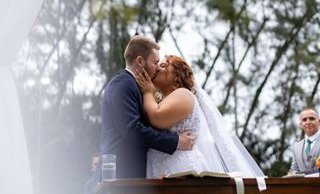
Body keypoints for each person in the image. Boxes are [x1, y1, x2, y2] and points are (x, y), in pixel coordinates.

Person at [87, 36, 195, 193]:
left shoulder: (137, 87)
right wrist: (177, 141)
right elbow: (133, 130)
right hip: (118, 180)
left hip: (130, 181)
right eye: (155, 62)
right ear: (140, 61)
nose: (157, 68)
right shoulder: (123, 84)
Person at [135, 55, 265, 178]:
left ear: (177, 77)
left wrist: (147, 91)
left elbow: (157, 118)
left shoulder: (184, 94)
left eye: (163, 66)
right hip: (161, 169)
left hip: (180, 171)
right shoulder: (164, 100)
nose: (157, 68)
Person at [287, 108, 320, 175]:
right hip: (302, 185)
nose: (308, 122)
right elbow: (293, 170)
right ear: (301, 125)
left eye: (312, 118)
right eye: (304, 120)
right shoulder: (296, 147)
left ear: (319, 122)